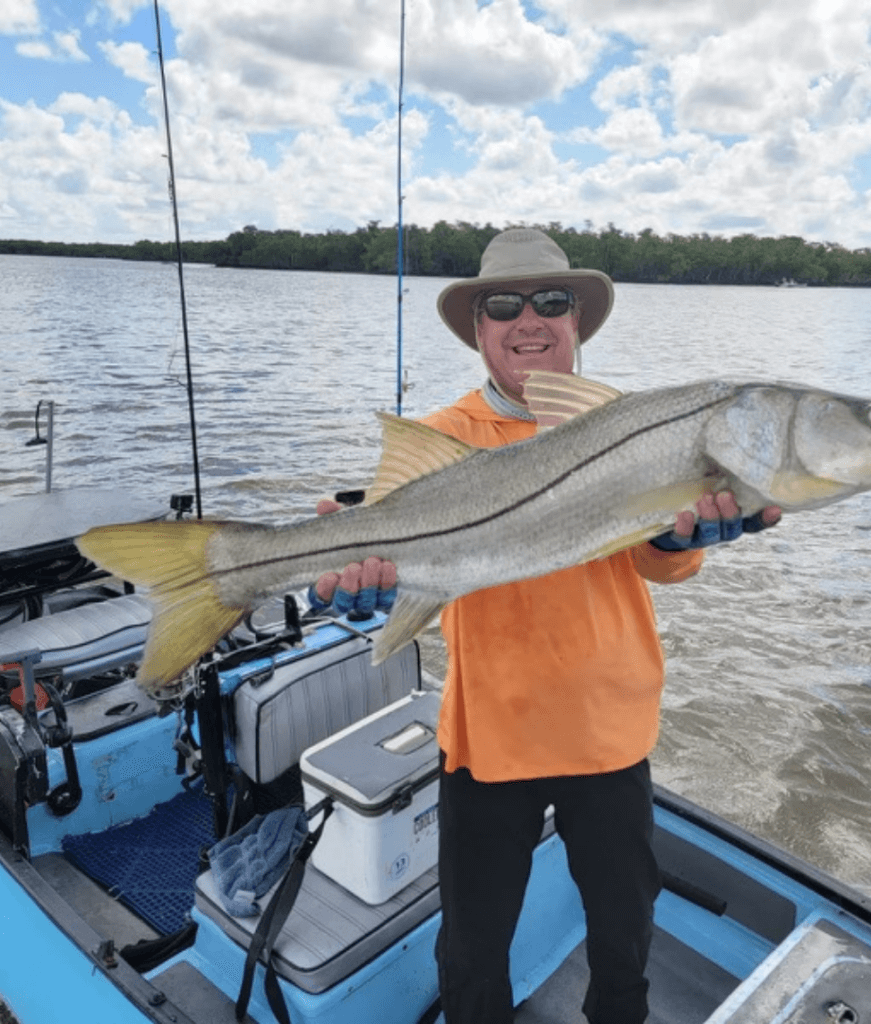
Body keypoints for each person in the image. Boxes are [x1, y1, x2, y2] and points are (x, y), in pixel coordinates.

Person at [311, 228, 781, 1024]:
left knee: (625, 940)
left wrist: (680, 535)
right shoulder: (444, 439)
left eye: (551, 302)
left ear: (577, 321)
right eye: (504, 305)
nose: (528, 319)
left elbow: (661, 560)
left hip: (608, 730)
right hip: (490, 735)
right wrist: (358, 588)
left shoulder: (637, 426)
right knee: (471, 950)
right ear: (479, 328)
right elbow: (396, 564)